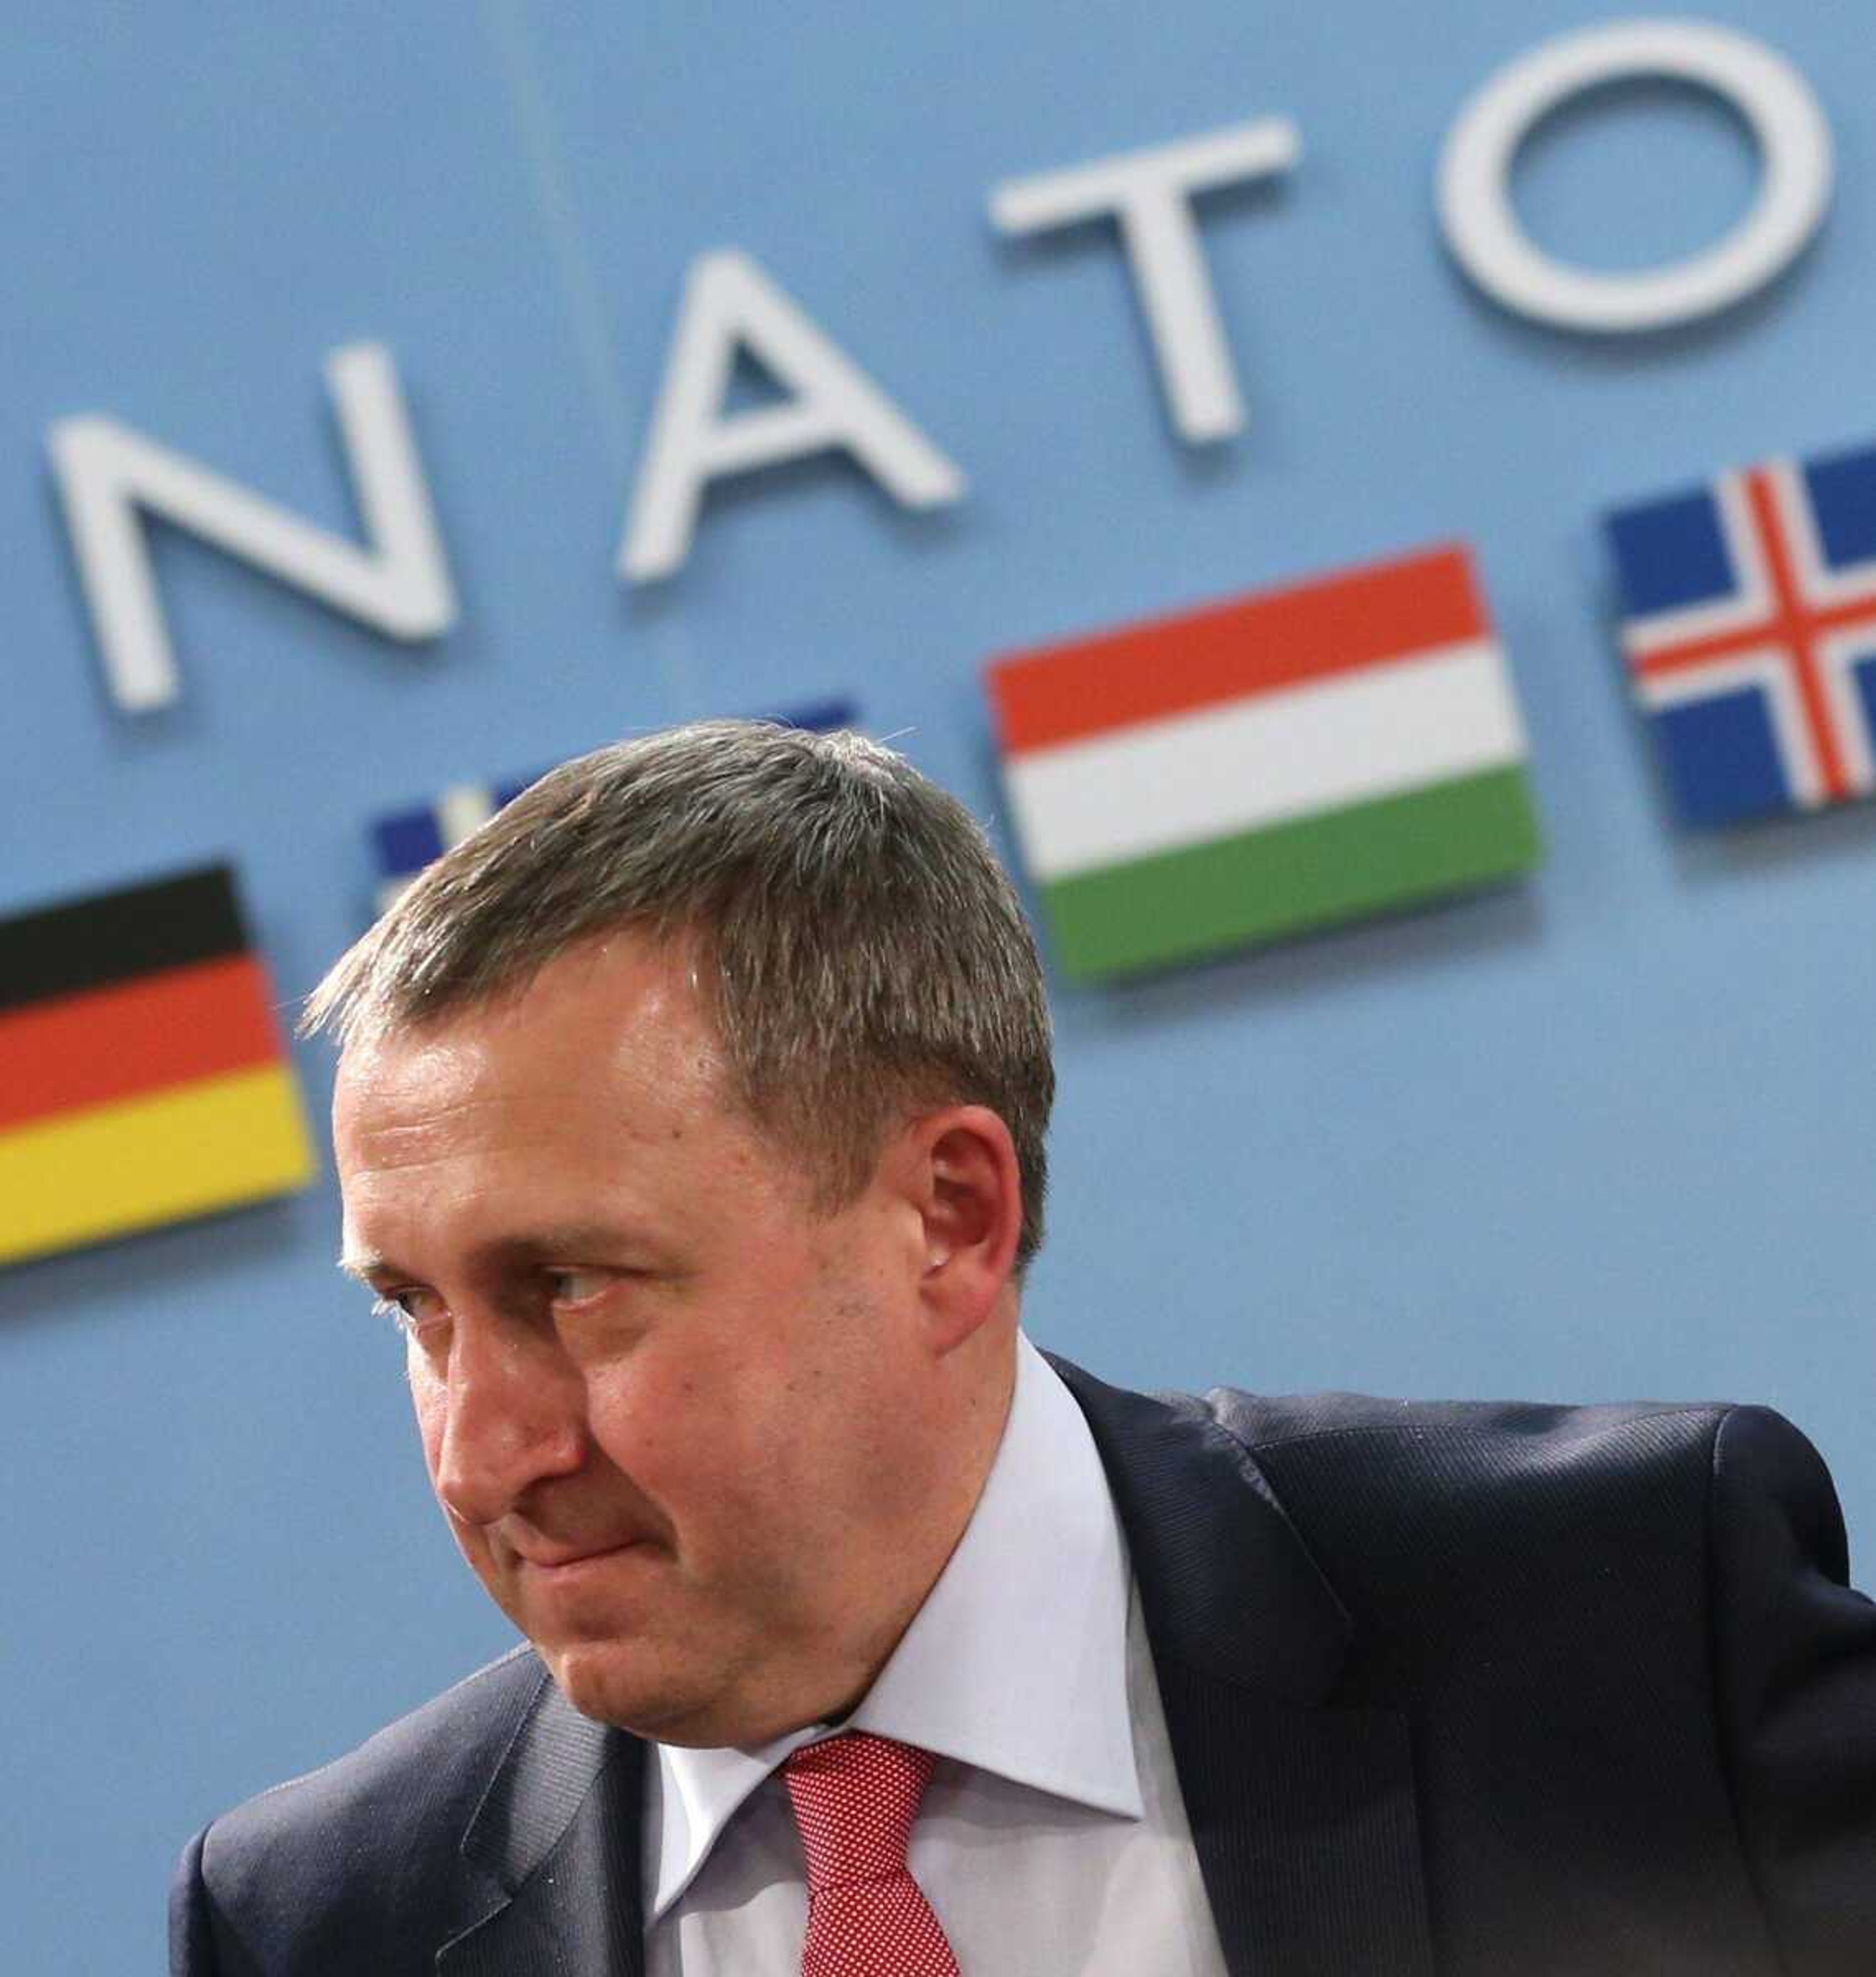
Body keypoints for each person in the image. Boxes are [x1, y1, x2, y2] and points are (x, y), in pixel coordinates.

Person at [172, 720, 1876, 1977]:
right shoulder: (319, 1927)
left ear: (950, 1221)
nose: (484, 1455)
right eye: (415, 1310)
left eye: (576, 1287)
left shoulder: (1624, 1624)